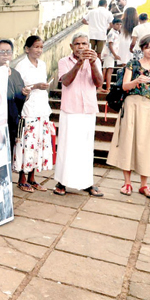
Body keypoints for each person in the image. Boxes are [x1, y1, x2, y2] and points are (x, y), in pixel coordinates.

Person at [106, 34, 150, 198]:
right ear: (142, 48)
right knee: (128, 142)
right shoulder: (132, 64)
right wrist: (137, 81)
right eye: (149, 47)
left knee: (149, 143)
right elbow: (125, 86)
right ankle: (127, 182)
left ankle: (144, 185)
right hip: (132, 104)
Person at [54, 32, 104, 197]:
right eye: (77, 44)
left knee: (86, 148)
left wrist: (93, 63)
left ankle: (87, 183)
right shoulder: (64, 62)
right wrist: (79, 63)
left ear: (88, 46)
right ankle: (62, 182)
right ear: (71, 47)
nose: (81, 47)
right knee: (67, 147)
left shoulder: (95, 61)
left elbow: (99, 83)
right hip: (70, 110)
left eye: (84, 44)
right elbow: (66, 81)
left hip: (88, 110)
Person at [13, 35, 55, 193]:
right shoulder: (21, 66)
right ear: (27, 49)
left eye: (41, 47)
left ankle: (32, 177)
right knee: (26, 144)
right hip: (28, 110)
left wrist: (43, 86)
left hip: (42, 109)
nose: (39, 50)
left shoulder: (42, 65)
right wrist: (36, 86)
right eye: (36, 47)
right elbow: (18, 88)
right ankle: (22, 179)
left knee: (38, 144)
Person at [0, 40, 27, 158]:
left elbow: (20, 98)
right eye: (1, 51)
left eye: (8, 52)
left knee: (7, 153)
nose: (5, 54)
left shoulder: (15, 74)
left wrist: (25, 94)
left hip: (11, 120)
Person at [100, 18, 123, 93]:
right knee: (107, 70)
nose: (119, 26)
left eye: (120, 24)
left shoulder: (116, 33)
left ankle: (103, 87)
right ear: (113, 25)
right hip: (109, 54)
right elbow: (110, 45)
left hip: (111, 55)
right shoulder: (112, 33)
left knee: (107, 70)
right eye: (117, 24)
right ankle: (106, 87)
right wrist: (115, 55)